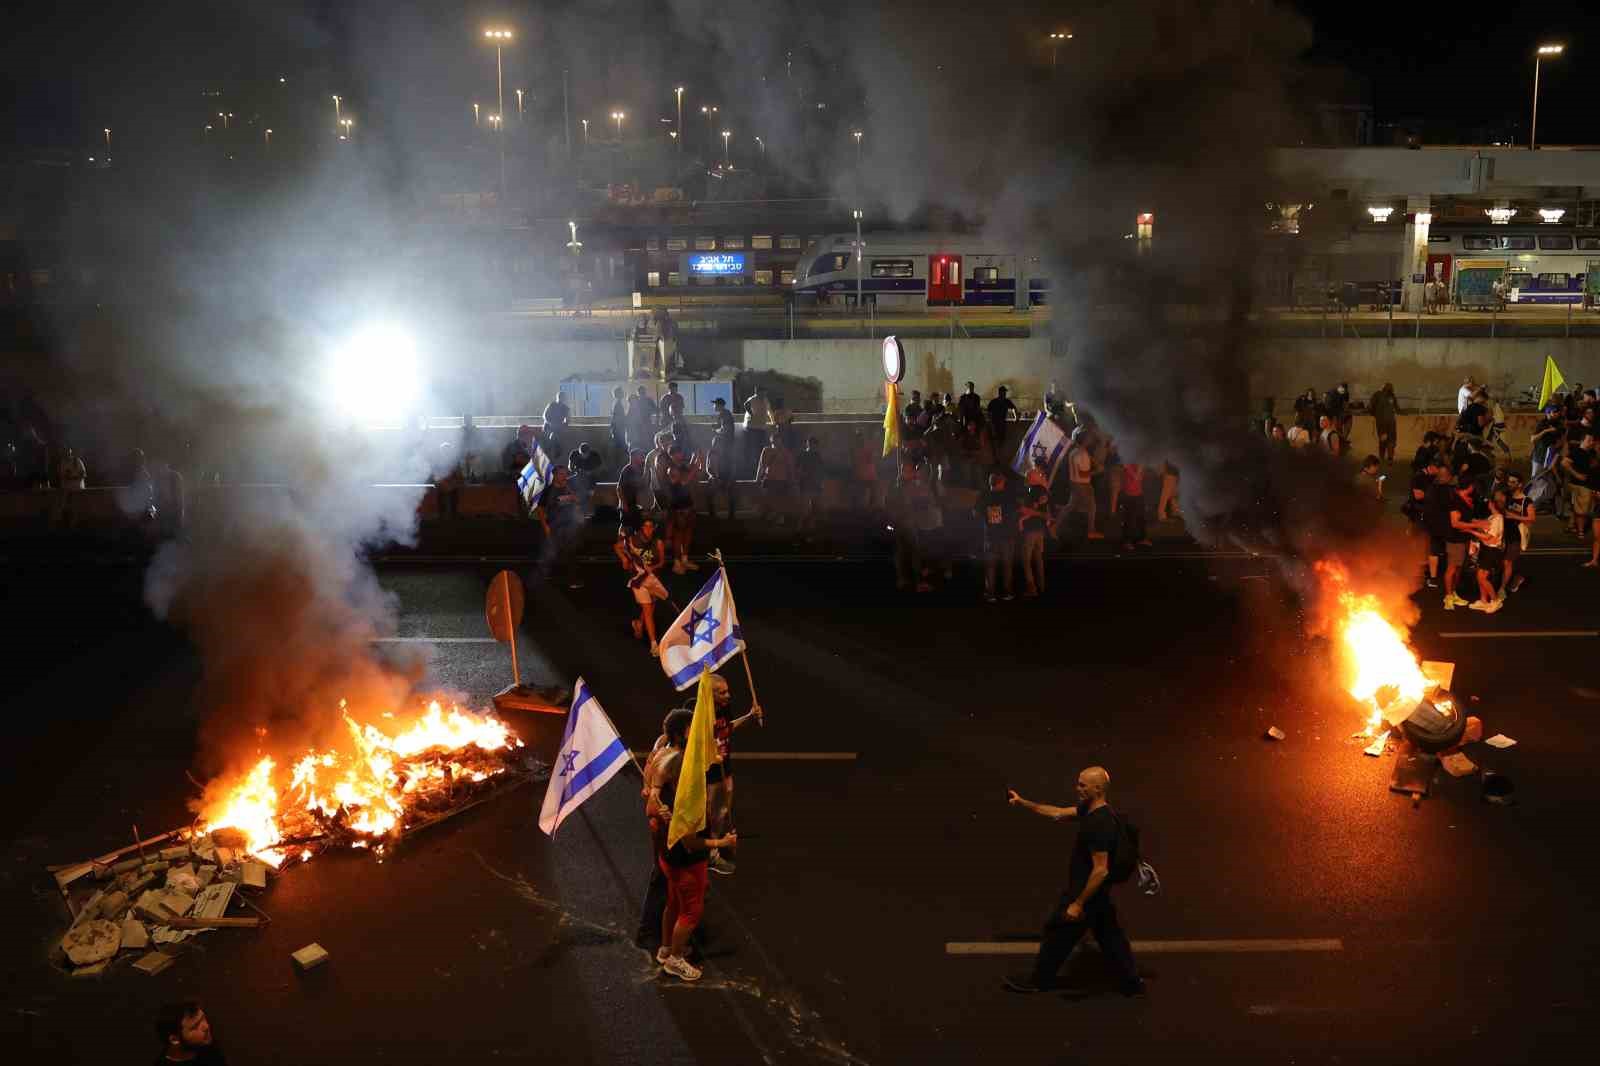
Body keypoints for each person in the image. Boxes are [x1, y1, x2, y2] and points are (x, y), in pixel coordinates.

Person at [1004, 768, 1144, 997]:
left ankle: (1038, 981)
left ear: (1098, 789)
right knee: (1111, 937)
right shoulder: (1091, 811)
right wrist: (1023, 802)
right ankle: (1132, 984)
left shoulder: (1099, 823)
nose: (1077, 789)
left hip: (1087, 891)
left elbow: (1100, 871)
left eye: (1082, 785)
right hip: (1097, 895)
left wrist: (1078, 903)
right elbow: (1057, 813)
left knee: (1058, 932)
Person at [636, 708, 692, 954]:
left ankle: (663, 933)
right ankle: (649, 934)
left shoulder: (672, 749)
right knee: (661, 877)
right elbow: (650, 802)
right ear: (683, 732)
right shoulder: (667, 758)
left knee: (669, 880)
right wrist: (664, 815)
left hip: (671, 827)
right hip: (663, 830)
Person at [705, 673, 763, 876]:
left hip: (725, 766)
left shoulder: (724, 708)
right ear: (710, 694)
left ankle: (720, 840)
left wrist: (748, 716)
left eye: (727, 691)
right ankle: (710, 854)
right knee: (711, 815)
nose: (728, 695)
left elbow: (727, 729)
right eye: (722, 693)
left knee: (722, 811)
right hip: (709, 771)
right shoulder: (700, 713)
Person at [615, 513, 669, 656]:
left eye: (651, 527)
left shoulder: (658, 543)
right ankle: (654, 644)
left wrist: (654, 567)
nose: (648, 529)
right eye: (645, 526)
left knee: (650, 607)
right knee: (647, 608)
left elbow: (662, 562)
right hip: (638, 579)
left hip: (652, 578)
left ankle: (638, 624)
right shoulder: (633, 540)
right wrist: (624, 560)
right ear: (641, 528)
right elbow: (617, 546)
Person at [535, 466, 584, 589]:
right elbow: (540, 509)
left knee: (570, 553)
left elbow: (578, 502)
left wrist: (572, 494)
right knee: (550, 553)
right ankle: (544, 579)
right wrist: (545, 526)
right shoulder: (548, 491)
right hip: (554, 526)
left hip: (569, 526)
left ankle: (572, 580)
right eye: (561, 474)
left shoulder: (569, 488)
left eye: (565, 474)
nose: (564, 476)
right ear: (555, 475)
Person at [1443, 480, 1485, 610]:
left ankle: (1453, 593)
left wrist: (1479, 522)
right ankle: (1448, 597)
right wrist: (1476, 525)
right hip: (1455, 540)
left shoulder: (1463, 500)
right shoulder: (1455, 501)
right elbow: (1455, 523)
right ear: (1469, 487)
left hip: (1462, 539)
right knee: (1452, 568)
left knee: (1458, 568)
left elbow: (1466, 518)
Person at [977, 471, 1017, 603]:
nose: (1005, 484)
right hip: (1007, 536)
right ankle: (1007, 592)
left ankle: (990, 593)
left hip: (990, 536)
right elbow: (1016, 511)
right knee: (1007, 565)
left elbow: (975, 513)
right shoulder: (1008, 496)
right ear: (1000, 483)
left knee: (990, 566)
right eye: (1004, 482)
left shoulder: (984, 496)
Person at [664, 445, 703, 573]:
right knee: (678, 535)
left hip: (688, 504)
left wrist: (697, 457)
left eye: (680, 453)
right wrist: (695, 468)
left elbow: (695, 470)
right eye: (677, 453)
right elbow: (684, 481)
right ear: (672, 455)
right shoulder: (671, 469)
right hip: (678, 506)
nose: (680, 455)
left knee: (688, 532)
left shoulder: (683, 466)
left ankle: (685, 560)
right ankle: (677, 563)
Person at [1467, 492, 1506, 613]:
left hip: (1492, 551)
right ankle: (1483, 601)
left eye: (1489, 502)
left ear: (1492, 504)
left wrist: (1470, 531)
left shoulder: (1498, 518)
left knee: (1483, 577)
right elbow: (1482, 524)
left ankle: (1495, 600)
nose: (1487, 503)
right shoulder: (1492, 517)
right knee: (1480, 576)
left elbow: (1488, 537)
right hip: (1486, 550)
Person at [154, 1000, 225, 1064]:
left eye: (203, 1018)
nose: (206, 1026)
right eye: (195, 1026)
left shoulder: (207, 1046)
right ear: (174, 1039)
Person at [1018, 484, 1053, 596]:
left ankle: (1031, 588)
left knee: (1026, 560)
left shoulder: (1031, 493)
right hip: (1040, 531)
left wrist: (1021, 521)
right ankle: (1042, 586)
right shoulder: (1045, 493)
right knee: (1039, 559)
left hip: (1030, 531)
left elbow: (1028, 511)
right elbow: (1047, 515)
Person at [755, 431, 795, 524]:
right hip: (771, 479)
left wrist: (792, 480)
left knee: (778, 500)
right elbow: (761, 465)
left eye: (778, 440)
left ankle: (777, 517)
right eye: (775, 440)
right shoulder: (767, 450)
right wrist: (757, 478)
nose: (777, 442)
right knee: (771, 499)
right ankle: (774, 516)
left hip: (780, 480)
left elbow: (790, 468)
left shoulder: (785, 452)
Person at [1502, 473, 1533, 593]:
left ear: (1520, 484)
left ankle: (1502, 589)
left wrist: (1513, 516)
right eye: (1509, 481)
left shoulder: (1526, 500)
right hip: (1503, 533)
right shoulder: (1507, 496)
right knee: (1503, 562)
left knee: (1507, 562)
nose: (1510, 484)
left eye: (1513, 482)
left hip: (1515, 535)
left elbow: (1531, 518)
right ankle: (1516, 578)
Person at [1064, 438, 1100, 541]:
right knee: (1091, 507)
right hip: (1082, 485)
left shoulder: (1074, 452)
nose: (1091, 440)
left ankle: (1055, 527)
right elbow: (1082, 474)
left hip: (1075, 483)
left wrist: (1092, 460)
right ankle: (1091, 531)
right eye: (1089, 438)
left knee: (1070, 506)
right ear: (1085, 441)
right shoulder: (1082, 454)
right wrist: (1097, 471)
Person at [1563, 431, 1596, 543]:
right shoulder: (1577, 452)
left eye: (1592, 440)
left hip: (1589, 485)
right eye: (1589, 440)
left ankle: (1571, 526)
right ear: (1582, 441)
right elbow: (1564, 463)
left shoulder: (1591, 453)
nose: (1591, 442)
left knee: (1580, 507)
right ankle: (1580, 531)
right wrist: (1577, 475)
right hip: (1581, 485)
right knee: (1583, 510)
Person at [706, 425, 739, 520]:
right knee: (710, 489)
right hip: (715, 478)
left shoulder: (728, 454)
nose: (718, 446)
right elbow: (708, 468)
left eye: (720, 444)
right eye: (716, 444)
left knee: (733, 488)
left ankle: (732, 514)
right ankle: (712, 514)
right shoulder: (711, 453)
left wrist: (729, 480)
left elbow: (733, 468)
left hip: (726, 477)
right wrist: (714, 477)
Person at [567, 441, 604, 517]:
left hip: (592, 477)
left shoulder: (595, 455)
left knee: (589, 491)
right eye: (582, 455)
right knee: (567, 483)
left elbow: (601, 469)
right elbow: (570, 467)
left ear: (589, 452)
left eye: (586, 455)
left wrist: (591, 472)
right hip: (578, 476)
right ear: (579, 451)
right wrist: (576, 470)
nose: (584, 456)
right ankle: (573, 509)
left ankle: (589, 509)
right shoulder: (574, 454)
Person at [1119, 461, 1149, 548]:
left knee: (1141, 518)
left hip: (1139, 493)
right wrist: (1140, 469)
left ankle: (1142, 539)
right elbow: (1136, 477)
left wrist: (1141, 469)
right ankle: (1127, 541)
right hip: (1129, 495)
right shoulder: (1127, 463)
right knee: (1130, 519)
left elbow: (1141, 477)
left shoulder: (1138, 463)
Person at [742, 387, 772, 476]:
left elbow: (769, 411)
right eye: (762, 392)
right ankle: (750, 470)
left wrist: (773, 421)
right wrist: (751, 414)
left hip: (761, 428)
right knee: (752, 449)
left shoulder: (765, 400)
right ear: (757, 392)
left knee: (761, 450)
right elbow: (746, 404)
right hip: (752, 428)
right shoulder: (753, 399)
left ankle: (760, 470)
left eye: (764, 392)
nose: (763, 394)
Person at [850, 429, 881, 513]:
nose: (860, 440)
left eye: (860, 438)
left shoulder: (863, 448)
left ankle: (868, 510)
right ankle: (865, 510)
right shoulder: (856, 449)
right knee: (864, 496)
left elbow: (873, 458)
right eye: (858, 438)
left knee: (870, 496)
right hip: (863, 476)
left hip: (867, 476)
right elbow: (856, 463)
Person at [1371, 383, 1399, 465]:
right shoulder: (1383, 395)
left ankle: (1384, 459)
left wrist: (1374, 414)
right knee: (1390, 441)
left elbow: (1371, 407)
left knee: (1386, 441)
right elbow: (1397, 408)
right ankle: (1388, 459)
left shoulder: (1378, 394)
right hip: (1387, 422)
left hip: (1384, 422)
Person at [617, 448, 648, 517]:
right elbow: (619, 488)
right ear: (633, 457)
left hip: (636, 503)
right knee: (625, 525)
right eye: (640, 456)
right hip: (628, 502)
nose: (643, 457)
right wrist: (624, 503)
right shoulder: (627, 470)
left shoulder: (641, 468)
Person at [609, 386, 628, 456]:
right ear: (619, 394)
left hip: (617, 429)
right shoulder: (618, 404)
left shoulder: (615, 403)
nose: (623, 394)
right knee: (621, 448)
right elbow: (617, 418)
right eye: (622, 392)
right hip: (618, 429)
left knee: (620, 448)